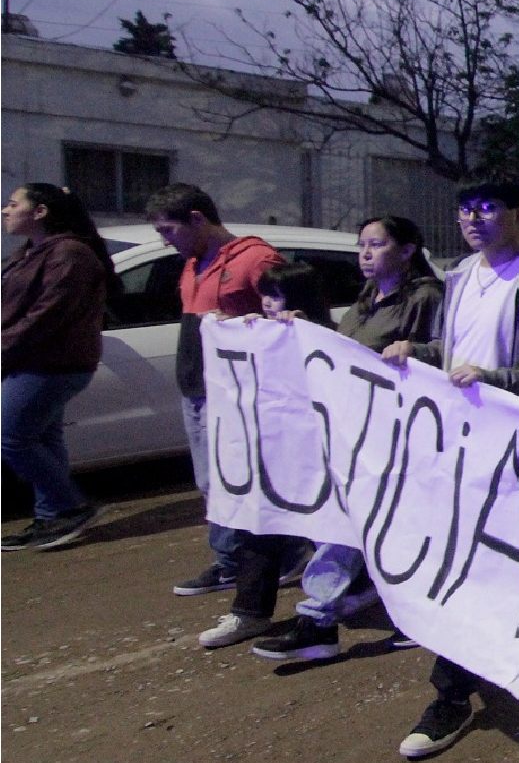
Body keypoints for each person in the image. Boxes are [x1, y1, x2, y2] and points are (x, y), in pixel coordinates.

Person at [383, 180, 519, 760]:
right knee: (464, 568)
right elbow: (454, 361)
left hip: (516, 461)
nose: (474, 217)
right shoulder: (459, 277)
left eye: (488, 206)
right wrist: (413, 353)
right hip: (459, 454)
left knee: (508, 571)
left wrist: (497, 384)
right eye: (465, 208)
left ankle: (462, 690)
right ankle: (455, 690)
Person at [248, 217, 445, 663]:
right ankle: (346, 618)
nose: (365, 253)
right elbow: (342, 354)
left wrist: (414, 353)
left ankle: (320, 617)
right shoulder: (363, 301)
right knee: (366, 526)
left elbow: (445, 352)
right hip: (360, 432)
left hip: (404, 435)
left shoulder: (426, 298)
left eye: (376, 244)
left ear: (408, 249)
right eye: (362, 245)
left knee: (364, 525)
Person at [145, 183, 291, 597]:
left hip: (235, 392)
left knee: (232, 481)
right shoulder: (192, 262)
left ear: (197, 219)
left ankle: (240, 559)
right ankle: (238, 557)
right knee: (211, 482)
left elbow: (283, 318)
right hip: (197, 385)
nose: (165, 240)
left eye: (169, 229)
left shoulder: (256, 259)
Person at [196, 261, 341, 649]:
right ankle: (250, 613)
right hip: (278, 460)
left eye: (277, 296)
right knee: (260, 526)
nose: (268, 304)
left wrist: (306, 332)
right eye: (265, 295)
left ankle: (339, 605)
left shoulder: (328, 339)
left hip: (324, 462)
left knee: (337, 535)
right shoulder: (265, 333)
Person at [1, 183, 117, 552]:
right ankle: (52, 517)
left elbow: (45, 315)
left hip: (51, 363)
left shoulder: (70, 254)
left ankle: (71, 507)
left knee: (11, 437)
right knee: (42, 438)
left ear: (40, 212)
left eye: (13, 204)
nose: (5, 210)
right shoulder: (32, 252)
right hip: (32, 359)